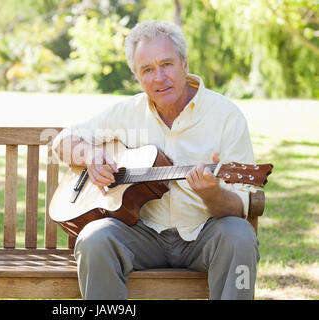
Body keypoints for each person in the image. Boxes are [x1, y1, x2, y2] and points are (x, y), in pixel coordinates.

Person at [51, 20, 259, 300]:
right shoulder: (126, 113)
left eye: (167, 64)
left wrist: (213, 195)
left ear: (184, 63)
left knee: (240, 236)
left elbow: (240, 208)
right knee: (95, 238)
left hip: (204, 234)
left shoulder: (226, 117)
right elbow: (61, 141)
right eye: (147, 70)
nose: (159, 77)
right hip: (141, 234)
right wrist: (90, 156)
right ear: (137, 77)